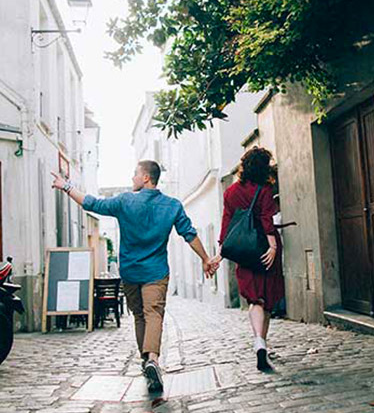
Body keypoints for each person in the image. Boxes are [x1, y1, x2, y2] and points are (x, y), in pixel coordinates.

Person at [51, 160, 217, 392]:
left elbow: (92, 203)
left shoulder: (124, 201)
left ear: (146, 178)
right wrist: (206, 258)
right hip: (156, 271)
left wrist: (66, 186)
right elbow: (189, 234)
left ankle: (146, 361)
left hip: (130, 271)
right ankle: (152, 360)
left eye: (135, 174)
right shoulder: (172, 206)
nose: (132, 178)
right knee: (153, 313)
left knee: (140, 316)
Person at [214, 147, 284, 372]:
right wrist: (272, 245)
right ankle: (262, 343)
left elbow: (227, 222)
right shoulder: (264, 189)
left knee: (255, 299)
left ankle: (258, 342)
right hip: (264, 247)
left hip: (244, 250)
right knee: (267, 297)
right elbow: (267, 220)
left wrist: (222, 249)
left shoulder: (231, 192)